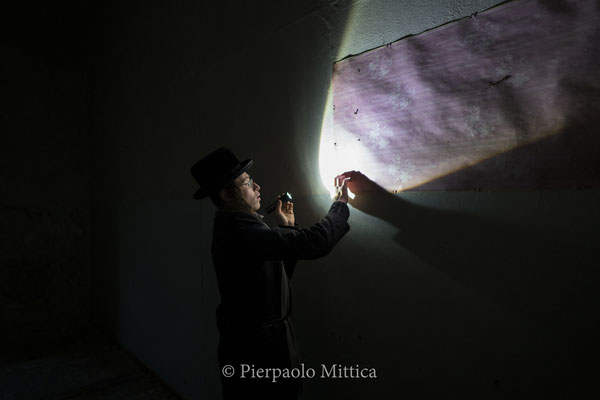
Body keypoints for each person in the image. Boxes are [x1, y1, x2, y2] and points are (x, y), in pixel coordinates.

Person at [190, 147, 351, 400]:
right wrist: (340, 206)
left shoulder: (243, 225)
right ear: (225, 195)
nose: (258, 188)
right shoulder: (240, 230)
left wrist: (286, 227)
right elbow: (315, 243)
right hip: (256, 351)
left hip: (262, 344)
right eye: (247, 183)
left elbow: (274, 278)